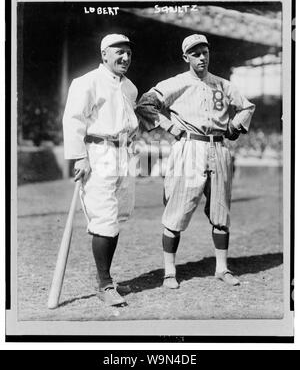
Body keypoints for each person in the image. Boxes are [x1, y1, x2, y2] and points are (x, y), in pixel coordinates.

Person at [136, 34, 255, 289]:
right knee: (176, 211)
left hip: (219, 148)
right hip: (189, 148)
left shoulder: (223, 85)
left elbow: (247, 107)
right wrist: (168, 126)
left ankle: (222, 268)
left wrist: (234, 127)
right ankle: (169, 272)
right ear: (186, 57)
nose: (201, 57)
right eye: (195, 53)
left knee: (221, 212)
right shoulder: (176, 83)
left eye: (205, 52)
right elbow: (145, 104)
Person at [63, 33, 138, 306]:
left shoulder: (129, 88)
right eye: (119, 52)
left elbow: (130, 121)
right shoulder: (87, 82)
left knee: (117, 216)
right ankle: (104, 284)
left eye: (129, 53)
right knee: (104, 218)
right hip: (98, 152)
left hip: (124, 154)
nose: (125, 57)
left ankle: (107, 281)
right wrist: (79, 157)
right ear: (104, 54)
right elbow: (73, 120)